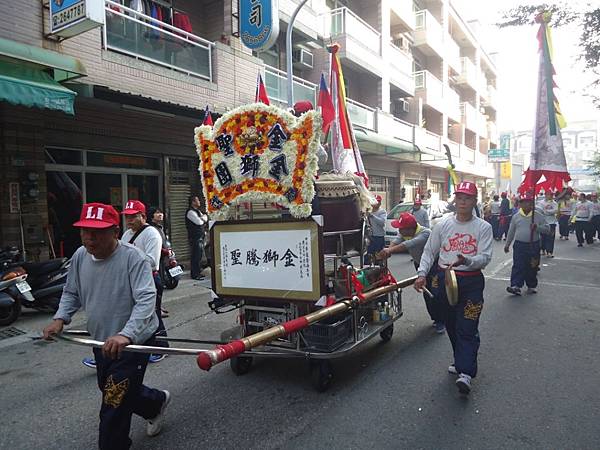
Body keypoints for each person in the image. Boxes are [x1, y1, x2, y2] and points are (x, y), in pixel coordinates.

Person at [42, 203, 171, 449]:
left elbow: (146, 301)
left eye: (98, 232)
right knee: (113, 388)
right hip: (101, 340)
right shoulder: (80, 256)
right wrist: (60, 319)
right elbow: (71, 292)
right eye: (85, 231)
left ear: (114, 231)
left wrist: (127, 334)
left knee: (113, 400)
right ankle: (154, 403)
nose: (90, 238)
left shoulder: (134, 259)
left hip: (134, 342)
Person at [414, 181, 493, 395]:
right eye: (459, 197)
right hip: (443, 279)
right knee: (450, 323)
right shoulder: (442, 225)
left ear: (474, 201)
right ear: (455, 200)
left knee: (467, 325)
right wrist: (422, 274)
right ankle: (461, 360)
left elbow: (485, 258)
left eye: (467, 198)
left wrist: (466, 260)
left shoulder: (483, 227)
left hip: (471, 282)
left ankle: (466, 373)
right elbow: (430, 252)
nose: (463, 202)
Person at [377, 212, 445, 333]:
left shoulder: (425, 233)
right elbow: (398, 240)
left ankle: (441, 321)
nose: (399, 230)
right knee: (426, 292)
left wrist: (389, 250)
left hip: (434, 266)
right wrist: (388, 251)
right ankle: (435, 318)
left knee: (435, 292)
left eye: (401, 228)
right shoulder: (405, 233)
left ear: (410, 229)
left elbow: (408, 244)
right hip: (419, 264)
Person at [121, 200, 169, 363]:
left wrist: (129, 260)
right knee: (135, 315)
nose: (128, 220)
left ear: (142, 216)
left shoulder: (152, 234)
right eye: (126, 217)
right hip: (131, 280)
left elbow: (152, 262)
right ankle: (139, 347)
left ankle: (162, 347)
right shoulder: (126, 234)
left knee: (153, 313)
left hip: (149, 279)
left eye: (132, 217)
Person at [504, 193, 551, 296]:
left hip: (533, 244)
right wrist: (507, 244)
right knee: (518, 265)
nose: (526, 205)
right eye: (523, 203)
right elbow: (511, 231)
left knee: (532, 266)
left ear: (532, 204)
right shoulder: (516, 217)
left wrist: (537, 228)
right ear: (520, 204)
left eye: (528, 203)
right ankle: (516, 285)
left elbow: (547, 229)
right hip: (519, 245)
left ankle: (531, 285)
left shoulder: (538, 216)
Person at [147, 207, 169, 318]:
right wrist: (163, 251)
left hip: (161, 259)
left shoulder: (160, 227)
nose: (160, 214)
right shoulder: (151, 229)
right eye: (157, 213)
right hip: (155, 260)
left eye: (161, 212)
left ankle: (159, 306)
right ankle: (156, 308)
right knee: (157, 285)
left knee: (161, 283)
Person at [186, 195, 208, 280]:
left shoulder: (198, 211)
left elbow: (205, 218)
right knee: (195, 255)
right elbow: (199, 222)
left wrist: (202, 218)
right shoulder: (190, 212)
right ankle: (194, 274)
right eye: (197, 200)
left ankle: (198, 272)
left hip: (200, 237)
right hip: (194, 238)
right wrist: (202, 218)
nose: (199, 201)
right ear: (193, 202)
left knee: (199, 256)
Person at [366, 194, 386, 262]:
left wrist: (372, 216)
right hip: (369, 237)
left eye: (378, 202)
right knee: (367, 256)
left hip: (379, 237)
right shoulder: (368, 211)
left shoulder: (382, 212)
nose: (376, 204)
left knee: (379, 256)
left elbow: (382, 223)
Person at [538, 191, 558, 257]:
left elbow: (555, 210)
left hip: (551, 222)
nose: (551, 196)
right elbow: (540, 211)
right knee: (542, 237)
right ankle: (542, 249)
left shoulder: (554, 203)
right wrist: (548, 212)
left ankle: (549, 252)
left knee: (550, 237)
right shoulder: (541, 203)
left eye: (552, 195)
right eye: (550, 195)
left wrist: (546, 211)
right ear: (546, 195)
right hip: (543, 222)